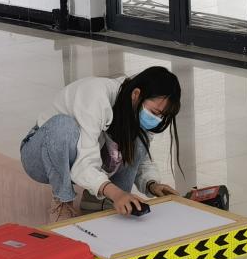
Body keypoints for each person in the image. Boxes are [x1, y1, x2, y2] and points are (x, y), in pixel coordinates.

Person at [20, 67, 182, 223]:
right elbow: (84, 161)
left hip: (82, 157)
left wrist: (152, 184)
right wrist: (116, 193)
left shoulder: (135, 108)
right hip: (41, 156)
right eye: (154, 113)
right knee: (63, 126)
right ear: (136, 94)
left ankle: (102, 202)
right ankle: (63, 201)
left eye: (162, 116)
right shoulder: (95, 95)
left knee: (139, 140)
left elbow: (141, 154)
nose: (157, 119)